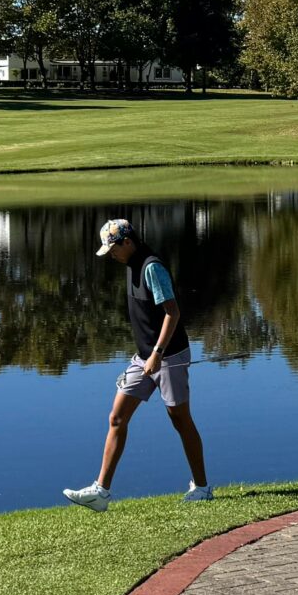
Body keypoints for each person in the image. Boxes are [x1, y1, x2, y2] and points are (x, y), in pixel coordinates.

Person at [63, 218, 212, 511]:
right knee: (116, 417)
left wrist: (157, 353)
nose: (112, 255)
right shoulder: (131, 265)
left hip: (169, 356)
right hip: (144, 357)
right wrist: (148, 355)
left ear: (127, 242)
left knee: (180, 419)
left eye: (114, 249)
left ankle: (202, 488)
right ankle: (100, 492)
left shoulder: (151, 267)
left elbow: (173, 313)